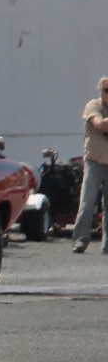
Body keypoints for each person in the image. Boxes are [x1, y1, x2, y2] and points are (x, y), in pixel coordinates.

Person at [70, 77, 108, 254]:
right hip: (95, 161)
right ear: (101, 91)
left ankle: (107, 245)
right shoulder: (93, 106)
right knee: (87, 203)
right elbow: (100, 124)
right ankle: (80, 240)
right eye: (106, 90)